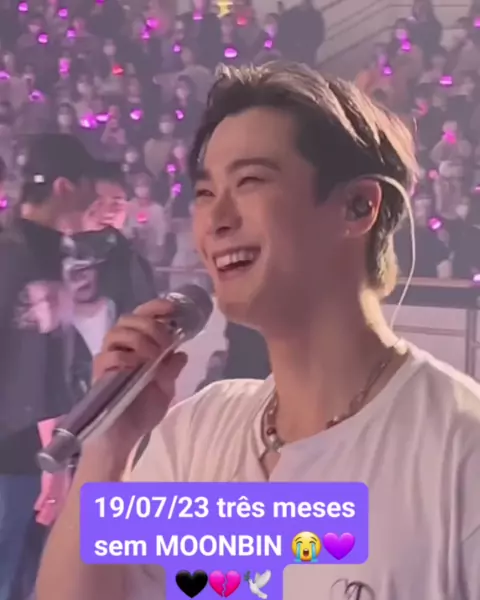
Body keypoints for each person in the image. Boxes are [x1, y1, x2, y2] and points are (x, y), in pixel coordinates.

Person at [37, 63, 480, 600]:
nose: (215, 219)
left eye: (249, 181)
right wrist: (108, 451)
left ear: (358, 206)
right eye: (205, 192)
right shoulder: (198, 433)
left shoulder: (460, 450)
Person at [0, 133, 101, 600]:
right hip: (15, 456)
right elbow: (37, 370)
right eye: (88, 187)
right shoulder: (27, 257)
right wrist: (53, 463)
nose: (95, 199)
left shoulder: (31, 249)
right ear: (64, 187)